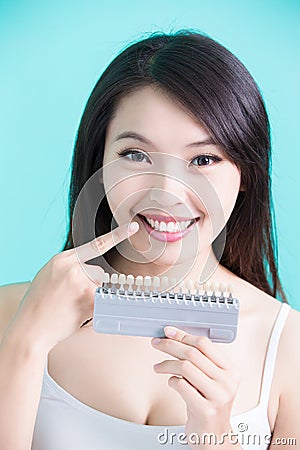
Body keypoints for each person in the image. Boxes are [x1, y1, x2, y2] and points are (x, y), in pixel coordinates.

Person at [0, 29, 299, 450]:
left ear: (246, 172)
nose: (166, 192)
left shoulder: (287, 349)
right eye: (135, 155)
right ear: (98, 161)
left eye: (204, 159)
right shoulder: (11, 315)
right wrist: (24, 348)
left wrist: (215, 439)